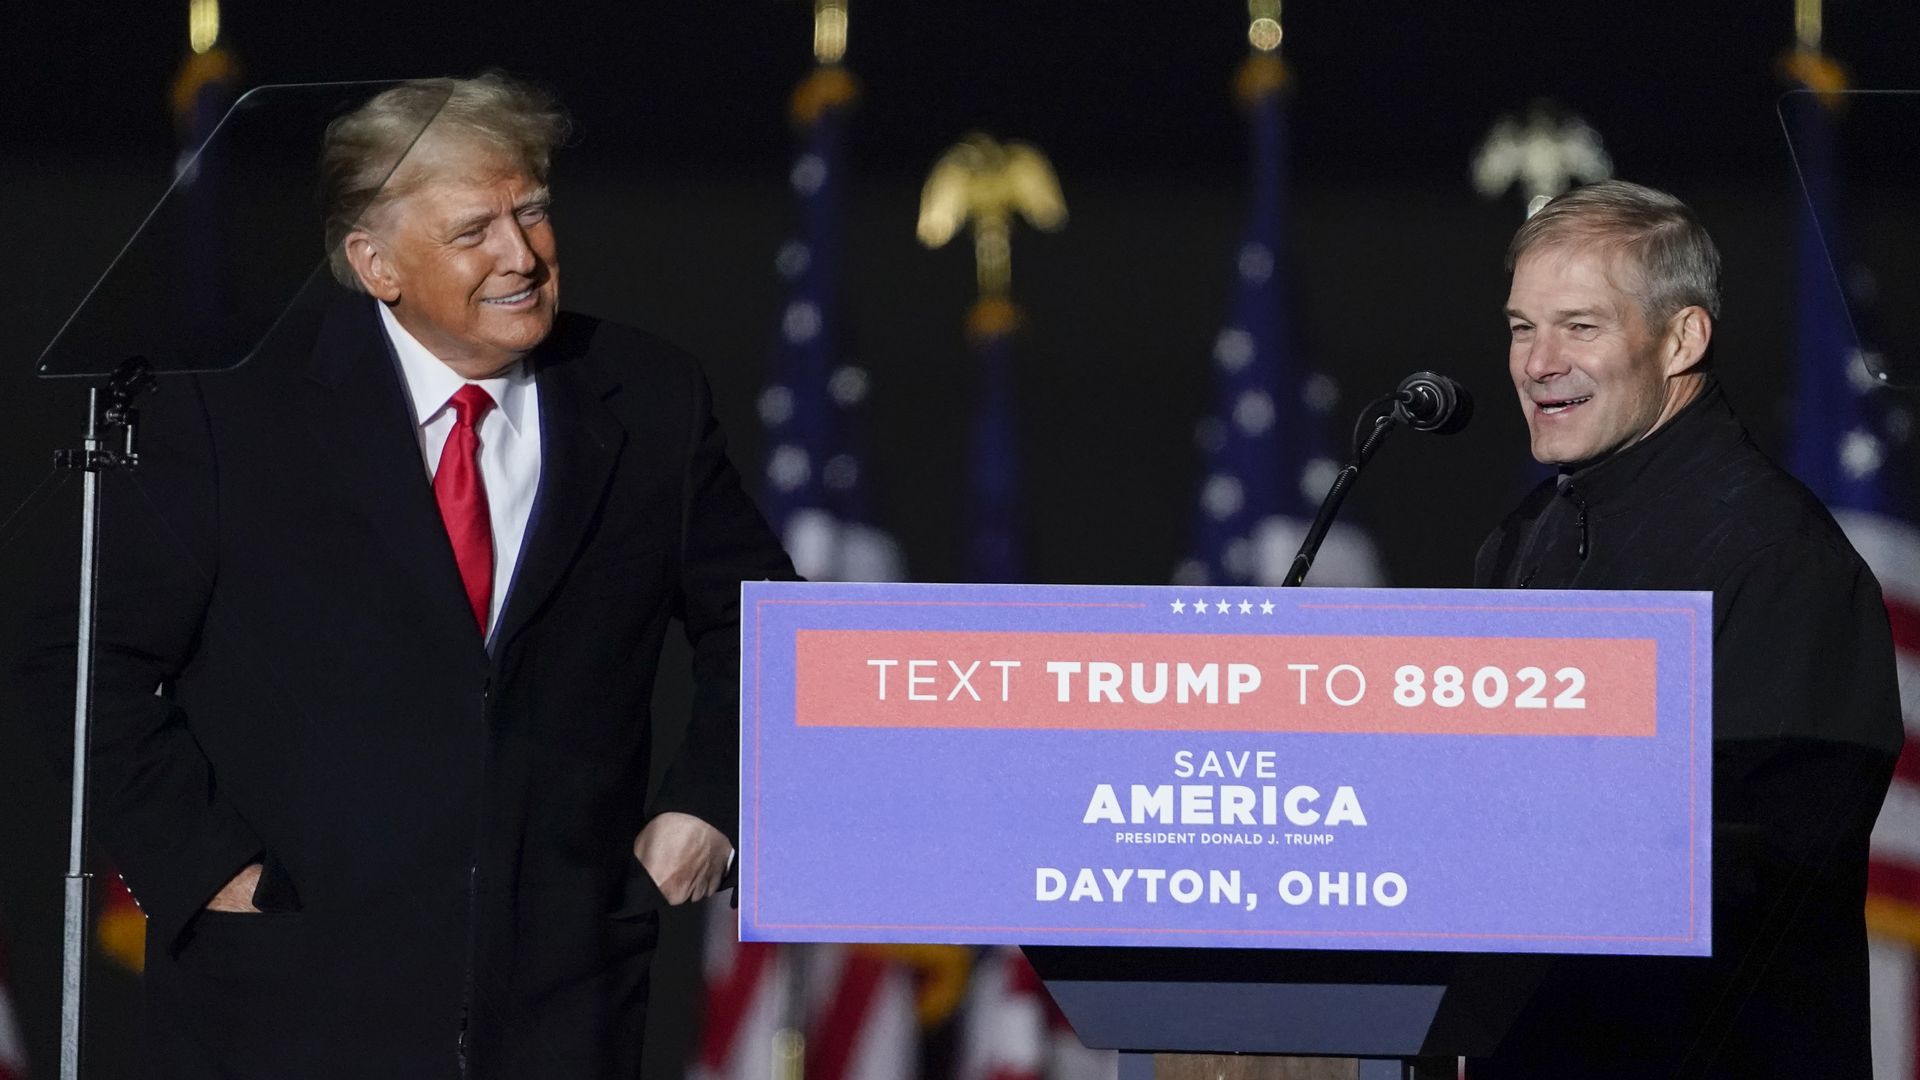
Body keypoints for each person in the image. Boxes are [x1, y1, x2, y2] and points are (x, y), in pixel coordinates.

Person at [5, 74, 795, 1078]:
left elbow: (767, 627)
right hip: (291, 995)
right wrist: (206, 869)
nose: (523, 254)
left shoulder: (647, 395)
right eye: (474, 232)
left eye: (534, 211)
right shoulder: (229, 414)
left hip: (563, 997)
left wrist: (711, 810)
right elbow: (76, 651)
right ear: (374, 264)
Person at [1470, 180, 1902, 1078]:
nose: (1538, 361)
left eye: (1580, 326)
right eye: (1522, 327)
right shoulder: (1523, 542)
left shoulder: (1780, 559)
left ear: (1682, 339)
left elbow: (1767, 865)